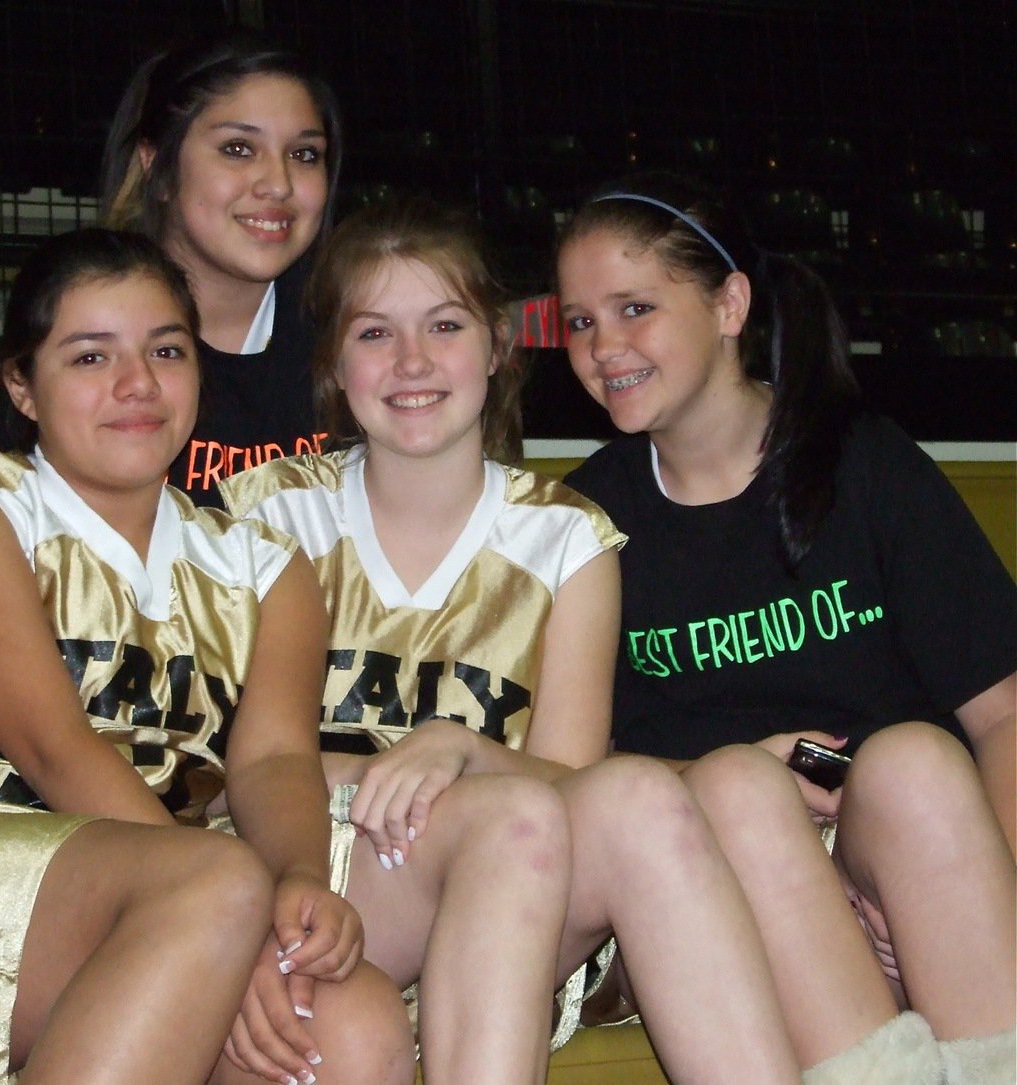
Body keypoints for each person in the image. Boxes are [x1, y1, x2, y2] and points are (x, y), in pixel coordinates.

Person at [221, 196, 806, 1085]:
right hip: (316, 868)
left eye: (445, 325)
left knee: (633, 794)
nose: (413, 361)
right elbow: (229, 750)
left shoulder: (568, 537)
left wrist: (464, 750)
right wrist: (379, 777)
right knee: (512, 811)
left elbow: (569, 778)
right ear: (335, 364)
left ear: (496, 346)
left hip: (510, 891)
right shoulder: (265, 510)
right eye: (375, 333)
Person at [0, 228, 415, 1085]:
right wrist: (230, 909)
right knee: (213, 882)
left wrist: (294, 884)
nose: (138, 384)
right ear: (23, 386)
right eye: (90, 357)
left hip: (164, 892)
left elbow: (277, 757)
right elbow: (53, 748)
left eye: (166, 350)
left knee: (352, 1021)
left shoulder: (264, 565)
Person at [557, 172, 1016, 1084]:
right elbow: (574, 781)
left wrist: (984, 893)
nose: (603, 347)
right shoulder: (584, 520)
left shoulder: (865, 463)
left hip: (899, 848)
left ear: (730, 304)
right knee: (738, 784)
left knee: (919, 761)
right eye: (578, 322)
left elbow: (1002, 714)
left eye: (635, 307)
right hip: (707, 871)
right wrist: (770, 768)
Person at [99, 35, 339, 506]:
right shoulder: (80, 326)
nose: (278, 184)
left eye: (304, 154)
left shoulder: (358, 326)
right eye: (238, 149)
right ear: (158, 166)